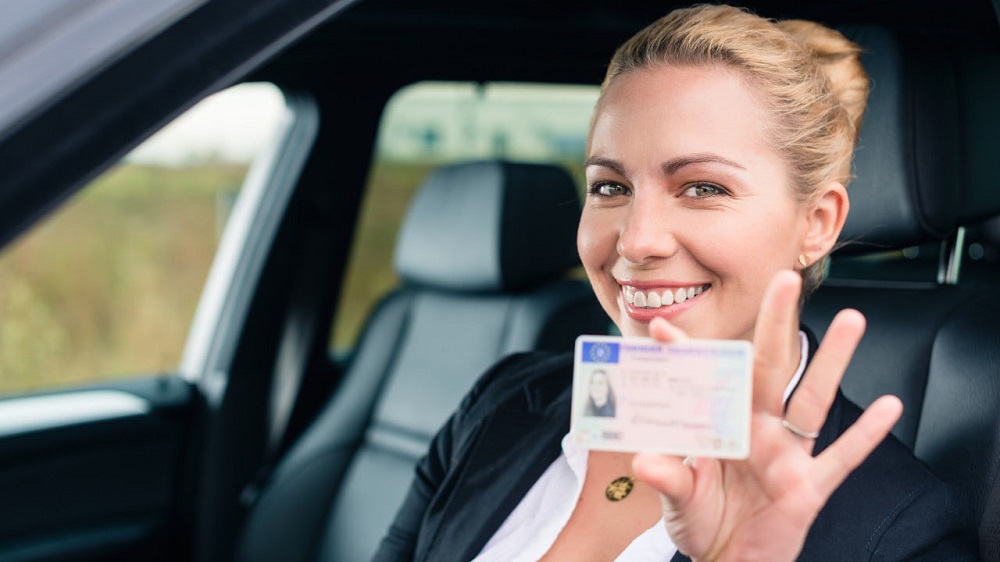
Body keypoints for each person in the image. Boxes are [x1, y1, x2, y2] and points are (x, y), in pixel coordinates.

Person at [374, 5, 977, 561]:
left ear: (815, 224)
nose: (636, 241)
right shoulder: (500, 403)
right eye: (611, 187)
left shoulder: (900, 530)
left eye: (703, 188)